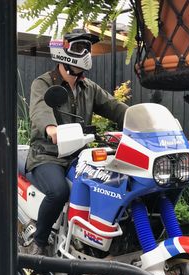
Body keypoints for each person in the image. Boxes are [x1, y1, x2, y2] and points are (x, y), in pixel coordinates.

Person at [26, 28, 129, 255]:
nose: (86, 53)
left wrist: (140, 119)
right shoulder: (42, 83)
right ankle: (39, 244)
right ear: (64, 50)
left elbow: (116, 108)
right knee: (59, 191)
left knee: (108, 185)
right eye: (80, 47)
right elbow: (40, 110)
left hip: (78, 156)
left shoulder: (88, 87)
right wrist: (52, 129)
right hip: (47, 155)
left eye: (88, 48)